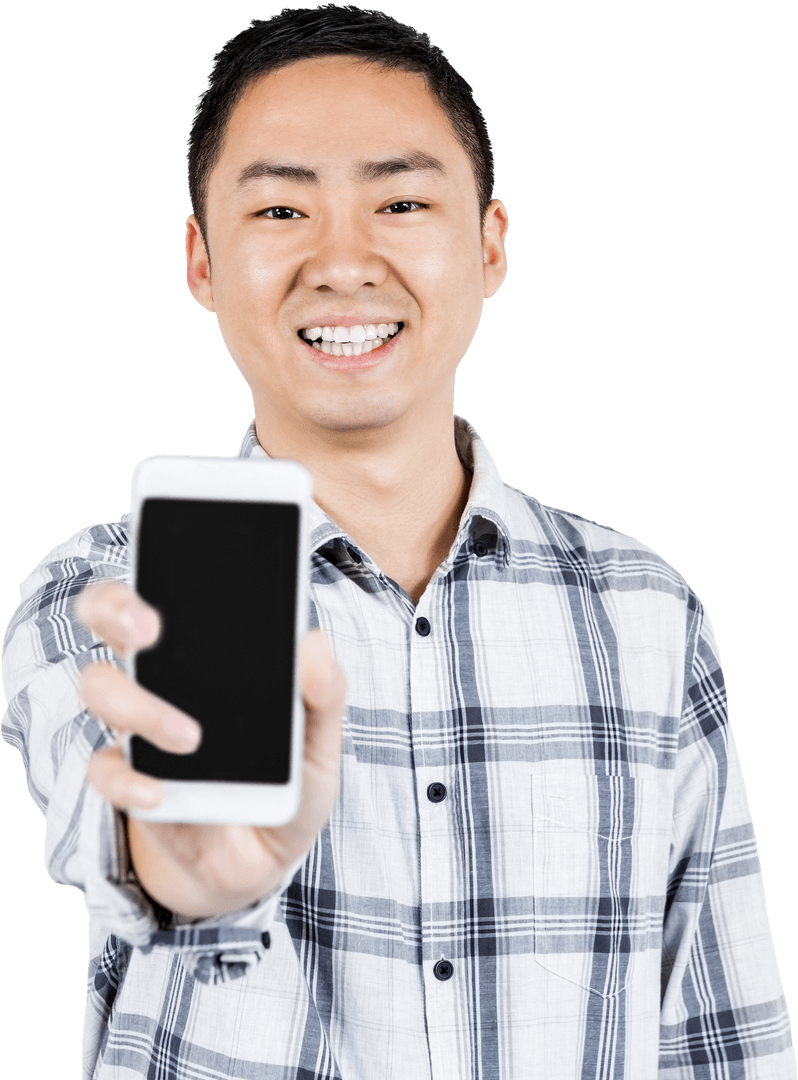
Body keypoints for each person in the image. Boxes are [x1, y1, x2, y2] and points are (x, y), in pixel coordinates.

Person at [1, 4, 794, 1077]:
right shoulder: (106, 588)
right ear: (201, 263)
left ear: (489, 246)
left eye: (403, 200)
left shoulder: (645, 612)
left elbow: (723, 1033)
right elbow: (89, 770)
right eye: (281, 209)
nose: (343, 261)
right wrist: (181, 867)